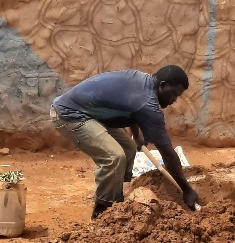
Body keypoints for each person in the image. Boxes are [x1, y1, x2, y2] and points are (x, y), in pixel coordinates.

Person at [51, 65, 200, 218]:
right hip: (70, 114)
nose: (174, 100)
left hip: (91, 113)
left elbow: (132, 109)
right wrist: (187, 189)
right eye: (174, 94)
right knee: (114, 156)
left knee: (129, 148)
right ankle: (103, 210)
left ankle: (116, 192)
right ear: (162, 85)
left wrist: (136, 137)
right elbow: (167, 154)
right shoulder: (148, 104)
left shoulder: (143, 81)